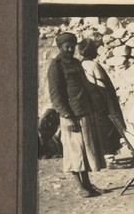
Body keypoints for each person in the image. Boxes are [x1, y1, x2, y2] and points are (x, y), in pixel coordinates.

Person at [47, 32, 106, 197]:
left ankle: (88, 184)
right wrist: (67, 116)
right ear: (60, 47)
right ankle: (79, 186)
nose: (71, 49)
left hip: (84, 110)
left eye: (73, 45)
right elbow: (56, 95)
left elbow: (85, 85)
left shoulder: (75, 63)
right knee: (74, 151)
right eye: (67, 46)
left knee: (85, 150)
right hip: (70, 115)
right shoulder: (56, 66)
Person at [77, 38, 124, 162]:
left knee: (99, 128)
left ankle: (105, 156)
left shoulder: (81, 65)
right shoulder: (93, 65)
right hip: (100, 101)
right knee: (107, 126)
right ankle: (109, 156)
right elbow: (102, 85)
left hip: (91, 102)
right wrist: (110, 103)